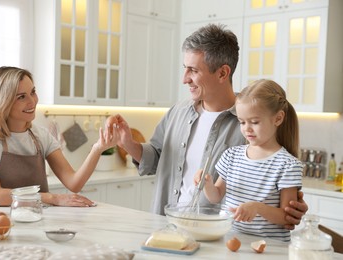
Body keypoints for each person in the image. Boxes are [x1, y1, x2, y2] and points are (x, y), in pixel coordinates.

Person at [112, 23, 307, 229]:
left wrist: (291, 207)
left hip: (218, 237)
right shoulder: (178, 112)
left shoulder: (252, 126)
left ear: (223, 73)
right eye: (185, 68)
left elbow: (275, 182)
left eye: (193, 70)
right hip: (165, 225)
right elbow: (156, 158)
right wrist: (128, 144)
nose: (184, 79)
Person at [0, 66, 118, 207]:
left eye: (33, 92)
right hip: (2, 227)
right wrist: (51, 198)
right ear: (2, 102)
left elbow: (74, 183)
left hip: (39, 221)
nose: (33, 101)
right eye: (21, 97)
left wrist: (98, 149)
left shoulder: (41, 136)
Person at [194, 79, 303, 241]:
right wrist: (207, 184)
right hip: (232, 240)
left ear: (278, 119)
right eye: (242, 122)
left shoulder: (288, 165)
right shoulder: (231, 156)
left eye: (255, 122)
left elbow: (287, 217)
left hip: (270, 248)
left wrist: (257, 207)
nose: (247, 129)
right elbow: (215, 197)